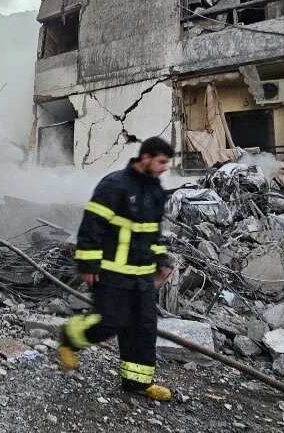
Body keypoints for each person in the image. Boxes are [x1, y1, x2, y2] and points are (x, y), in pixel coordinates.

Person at [58, 136, 176, 401]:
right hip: (112, 273)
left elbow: (152, 233)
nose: (164, 168)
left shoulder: (155, 191)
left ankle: (137, 383)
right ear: (145, 158)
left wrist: (161, 260)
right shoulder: (114, 185)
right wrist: (88, 263)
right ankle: (70, 337)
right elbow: (92, 225)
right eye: (161, 162)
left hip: (142, 275)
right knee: (110, 322)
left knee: (144, 328)